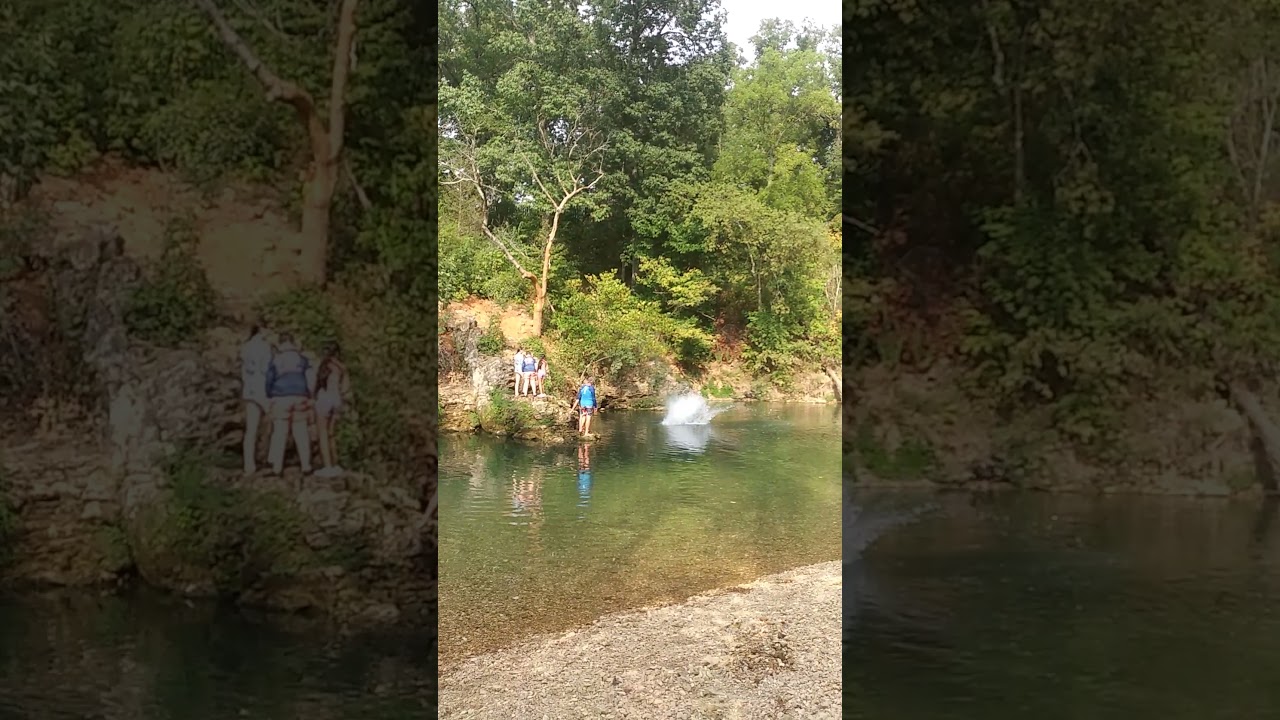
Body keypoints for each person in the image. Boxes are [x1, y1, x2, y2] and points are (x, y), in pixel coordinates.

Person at [266, 333, 315, 475]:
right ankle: (306, 465)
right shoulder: (302, 360)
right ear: (293, 343)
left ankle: (277, 467)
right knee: (301, 431)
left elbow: (269, 379)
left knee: (280, 432)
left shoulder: (276, 359)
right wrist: (309, 394)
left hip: (280, 397)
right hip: (300, 396)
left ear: (280, 343)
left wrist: (269, 394)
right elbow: (310, 379)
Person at [239, 322, 273, 475]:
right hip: (263, 389)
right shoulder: (265, 347)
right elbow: (268, 369)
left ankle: (249, 464)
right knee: (273, 424)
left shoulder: (245, 347)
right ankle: (270, 458)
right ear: (262, 330)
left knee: (251, 429)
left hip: (250, 388)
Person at [313, 341, 349, 478]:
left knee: (322, 433)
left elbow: (316, 386)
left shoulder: (323, 365)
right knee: (331, 434)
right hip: (337, 399)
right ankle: (335, 464)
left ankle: (327, 467)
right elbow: (345, 388)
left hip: (324, 398)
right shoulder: (342, 368)